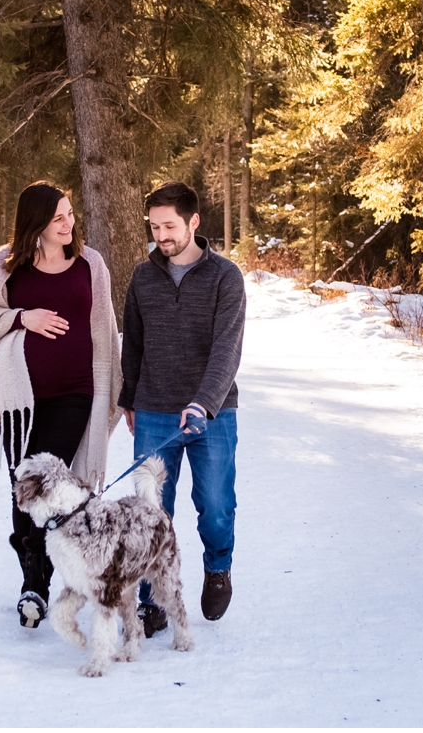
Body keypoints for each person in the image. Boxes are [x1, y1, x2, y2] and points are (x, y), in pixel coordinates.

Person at [0, 181, 122, 629]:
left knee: (47, 481)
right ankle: (32, 581)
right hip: (19, 397)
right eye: (58, 218)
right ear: (37, 224)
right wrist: (21, 317)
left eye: (70, 214)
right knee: (24, 487)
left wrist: (116, 388)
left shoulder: (90, 264)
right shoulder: (5, 265)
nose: (69, 223)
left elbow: (105, 331)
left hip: (75, 393)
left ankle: (44, 578)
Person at [119, 180, 246, 637]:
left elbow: (227, 350)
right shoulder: (142, 276)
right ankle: (153, 598)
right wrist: (128, 396)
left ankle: (218, 567)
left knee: (214, 504)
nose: (161, 235)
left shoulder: (225, 277)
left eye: (169, 226)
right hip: (153, 408)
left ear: (194, 222)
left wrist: (203, 403)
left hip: (213, 412)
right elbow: (132, 342)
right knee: (152, 510)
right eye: (154, 227)